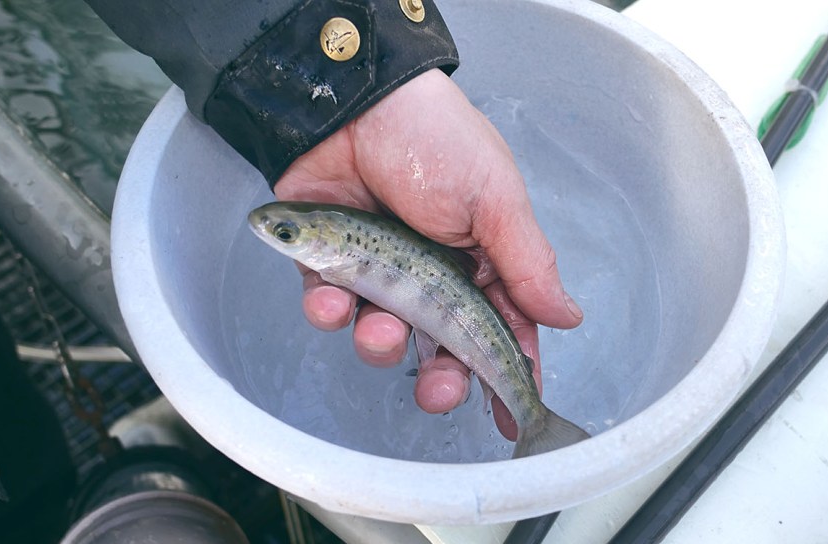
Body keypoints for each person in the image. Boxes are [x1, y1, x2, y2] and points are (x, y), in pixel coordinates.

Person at [85, 0, 584, 439]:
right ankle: (535, 423)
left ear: (332, 249)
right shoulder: (339, 254)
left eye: (286, 234)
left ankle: (536, 424)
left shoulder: (342, 253)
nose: (271, 234)